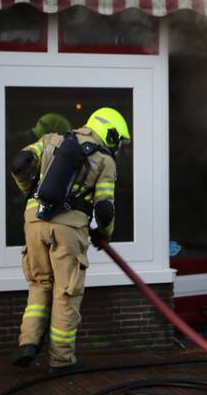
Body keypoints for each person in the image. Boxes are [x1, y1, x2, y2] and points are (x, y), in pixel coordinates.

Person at [9, 107, 130, 374]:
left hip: (34, 222)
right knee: (66, 292)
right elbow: (105, 209)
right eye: (118, 140)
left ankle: (28, 343)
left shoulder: (51, 140)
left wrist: (29, 193)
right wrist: (104, 235)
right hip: (69, 228)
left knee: (40, 283)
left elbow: (20, 164)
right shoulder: (105, 161)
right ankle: (62, 361)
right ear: (110, 134)